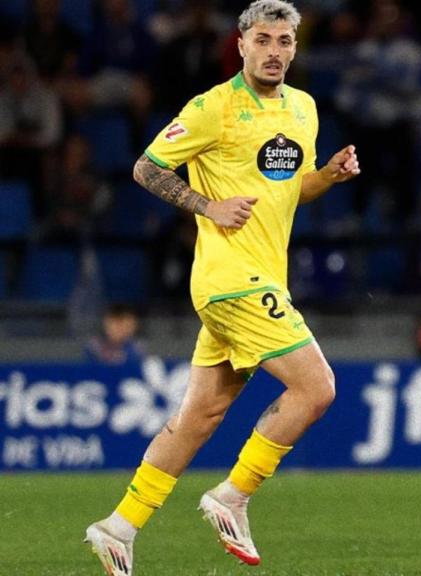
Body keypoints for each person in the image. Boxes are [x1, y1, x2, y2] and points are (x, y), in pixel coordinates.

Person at [83, 2, 360, 575]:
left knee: (198, 420)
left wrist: (327, 177)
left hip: (255, 279)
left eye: (285, 41)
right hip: (231, 279)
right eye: (263, 39)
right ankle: (232, 495)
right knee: (317, 389)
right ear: (240, 45)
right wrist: (208, 204)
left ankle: (118, 527)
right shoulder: (213, 107)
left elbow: (287, 189)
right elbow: (147, 167)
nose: (275, 51)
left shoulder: (303, 109)